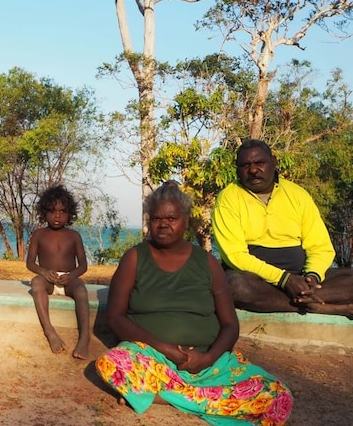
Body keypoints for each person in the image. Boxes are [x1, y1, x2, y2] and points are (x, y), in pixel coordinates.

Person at [95, 181, 293, 424]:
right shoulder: (135, 257)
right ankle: (209, 401)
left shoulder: (207, 262)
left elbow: (230, 325)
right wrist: (163, 348)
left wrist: (208, 358)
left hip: (210, 367)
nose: (163, 224)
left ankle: (164, 396)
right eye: (156, 218)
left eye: (172, 218)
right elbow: (115, 317)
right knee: (111, 364)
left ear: (186, 221)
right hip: (154, 360)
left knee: (279, 396)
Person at [212, 139, 353, 315]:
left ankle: (307, 298)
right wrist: (284, 280)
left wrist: (312, 277)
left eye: (260, 163)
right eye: (245, 165)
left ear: (274, 162)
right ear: (237, 170)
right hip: (257, 279)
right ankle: (320, 306)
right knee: (233, 285)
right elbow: (235, 256)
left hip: (301, 276)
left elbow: (320, 248)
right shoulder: (228, 198)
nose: (253, 170)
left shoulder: (297, 194)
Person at [25, 184, 90, 358]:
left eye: (62, 211)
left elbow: (83, 265)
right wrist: (44, 272)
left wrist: (72, 276)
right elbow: (30, 263)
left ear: (69, 214)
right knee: (36, 282)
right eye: (52, 211)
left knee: (82, 290)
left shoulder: (74, 236)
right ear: (44, 212)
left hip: (69, 280)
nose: (57, 216)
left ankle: (84, 337)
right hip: (49, 280)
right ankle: (50, 331)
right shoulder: (39, 235)